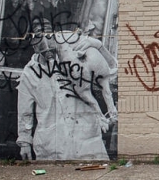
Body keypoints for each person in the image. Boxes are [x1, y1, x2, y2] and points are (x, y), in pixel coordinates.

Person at [16, 19, 111, 161]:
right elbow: (25, 112)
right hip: (53, 141)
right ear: (32, 43)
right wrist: (24, 142)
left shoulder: (73, 55)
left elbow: (109, 70)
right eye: (39, 38)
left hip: (84, 135)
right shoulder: (29, 73)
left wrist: (98, 45)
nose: (46, 43)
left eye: (49, 36)